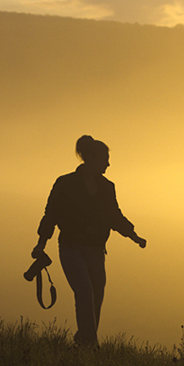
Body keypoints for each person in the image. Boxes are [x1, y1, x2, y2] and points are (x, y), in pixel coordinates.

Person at [32, 135, 147, 347]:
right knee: (85, 292)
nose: (108, 163)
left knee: (96, 296)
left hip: (96, 250)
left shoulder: (107, 187)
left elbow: (114, 216)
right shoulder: (64, 183)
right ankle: (90, 345)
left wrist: (133, 235)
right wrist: (41, 243)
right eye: (105, 158)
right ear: (91, 157)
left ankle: (84, 340)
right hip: (71, 248)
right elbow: (51, 215)